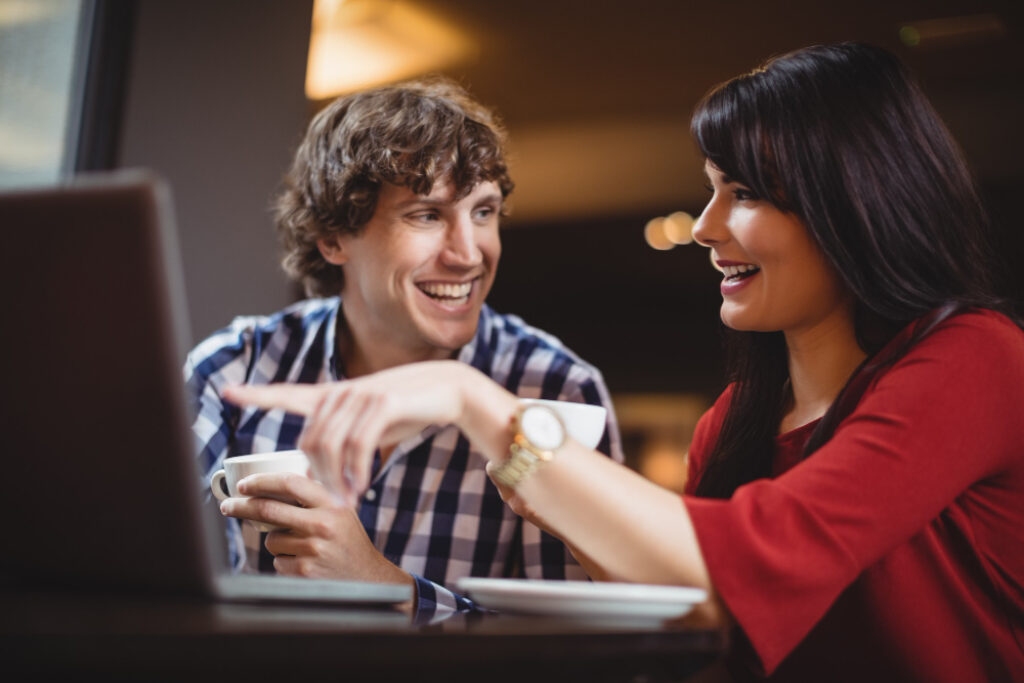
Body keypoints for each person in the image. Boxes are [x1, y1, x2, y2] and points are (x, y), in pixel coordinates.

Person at [223, 43, 1024, 680]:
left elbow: (765, 552)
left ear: (854, 203)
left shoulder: (976, 358)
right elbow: (698, 641)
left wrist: (476, 402)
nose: (706, 227)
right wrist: (566, 510)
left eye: (742, 192)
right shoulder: (731, 425)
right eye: (710, 190)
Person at [186, 77, 623, 619]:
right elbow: (131, 567)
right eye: (427, 214)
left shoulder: (555, 391)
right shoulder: (236, 366)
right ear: (333, 237)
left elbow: (579, 643)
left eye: (483, 213)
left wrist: (388, 590)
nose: (469, 254)